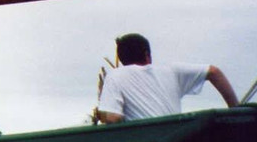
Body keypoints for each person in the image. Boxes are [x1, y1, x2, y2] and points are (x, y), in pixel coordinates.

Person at [97, 33, 239, 123]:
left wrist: (101, 101)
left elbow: (113, 118)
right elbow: (214, 72)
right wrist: (236, 110)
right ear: (147, 54)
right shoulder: (171, 70)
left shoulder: (115, 76)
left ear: (121, 60)